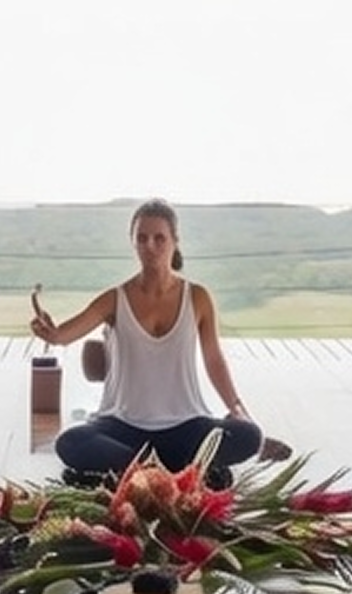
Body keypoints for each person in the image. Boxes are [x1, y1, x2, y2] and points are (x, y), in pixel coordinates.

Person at [29, 199, 287, 480]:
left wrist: (237, 408)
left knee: (248, 435)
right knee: (70, 443)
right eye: (141, 238)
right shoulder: (115, 298)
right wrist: (50, 333)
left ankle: (145, 472)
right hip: (122, 426)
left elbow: (214, 359)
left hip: (185, 424)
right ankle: (173, 471)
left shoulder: (198, 297)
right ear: (133, 243)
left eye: (159, 238)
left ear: (175, 241)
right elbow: (64, 335)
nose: (150, 245)